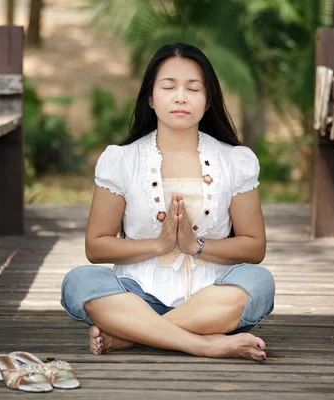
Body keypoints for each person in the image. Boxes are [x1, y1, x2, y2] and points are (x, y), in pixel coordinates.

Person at [60, 43, 275, 361]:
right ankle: (203, 344)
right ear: (150, 97)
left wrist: (195, 246)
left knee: (260, 282)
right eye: (169, 86)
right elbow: (97, 247)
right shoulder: (122, 160)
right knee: (79, 281)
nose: (181, 97)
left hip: (212, 297)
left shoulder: (236, 161)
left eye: (193, 88)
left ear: (207, 100)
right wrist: (159, 245)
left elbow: (254, 247)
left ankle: (134, 336)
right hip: (135, 295)